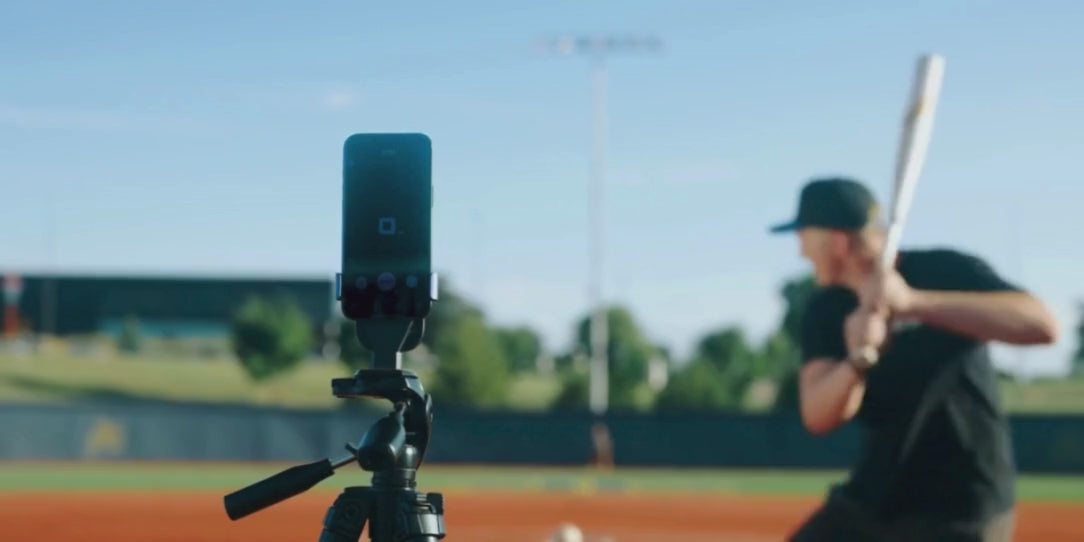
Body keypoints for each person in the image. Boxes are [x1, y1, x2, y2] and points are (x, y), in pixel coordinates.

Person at [769, 177, 1059, 541]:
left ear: (837, 240)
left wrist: (914, 303)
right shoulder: (825, 309)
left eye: (804, 237)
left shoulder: (944, 270)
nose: (801, 253)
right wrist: (858, 360)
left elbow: (1042, 325)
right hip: (877, 496)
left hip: (962, 506)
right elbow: (818, 414)